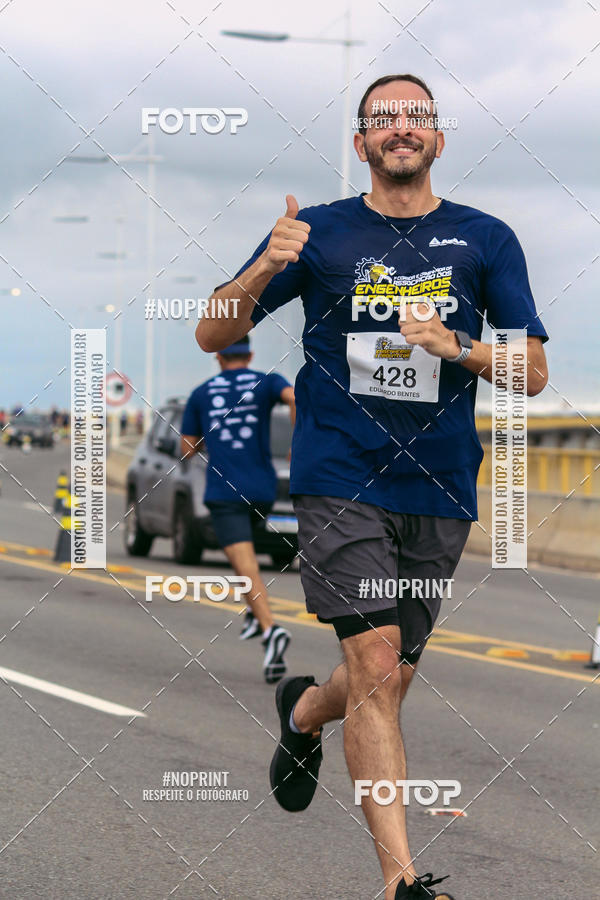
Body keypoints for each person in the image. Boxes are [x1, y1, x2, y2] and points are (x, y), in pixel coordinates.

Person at [196, 74, 549, 899]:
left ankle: (304, 712)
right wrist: (265, 267)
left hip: (438, 487)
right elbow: (213, 329)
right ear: (360, 143)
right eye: (383, 119)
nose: (400, 127)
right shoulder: (316, 232)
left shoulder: (486, 239)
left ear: (437, 138)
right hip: (338, 476)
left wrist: (457, 346)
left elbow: (531, 371)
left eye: (415, 116)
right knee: (378, 662)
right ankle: (399, 883)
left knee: (386, 679)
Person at [181, 336, 295, 684]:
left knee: (245, 567)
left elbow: (187, 449)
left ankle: (270, 630)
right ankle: (254, 611)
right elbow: (295, 398)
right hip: (263, 490)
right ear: (250, 354)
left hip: (225, 492)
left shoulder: (201, 393)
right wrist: (297, 443)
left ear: (218, 356)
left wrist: (210, 436)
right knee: (247, 561)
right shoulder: (266, 382)